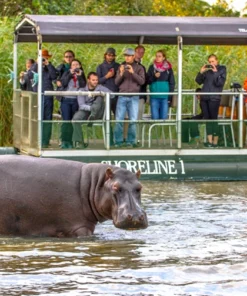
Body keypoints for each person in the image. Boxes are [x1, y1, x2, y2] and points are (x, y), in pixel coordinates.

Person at [114, 48, 145, 148]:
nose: (126, 57)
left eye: (128, 55)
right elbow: (116, 82)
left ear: (133, 56)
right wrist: (122, 73)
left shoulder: (139, 68)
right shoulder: (121, 67)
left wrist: (132, 73)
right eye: (125, 55)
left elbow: (142, 81)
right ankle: (118, 141)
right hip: (122, 96)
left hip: (134, 97)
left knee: (133, 120)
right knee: (119, 120)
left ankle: (130, 141)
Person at [72, 72, 111, 149]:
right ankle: (80, 142)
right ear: (88, 80)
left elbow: (112, 94)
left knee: (100, 97)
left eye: (96, 80)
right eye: (93, 80)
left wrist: (101, 94)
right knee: (75, 119)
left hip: (98, 112)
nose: (95, 82)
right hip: (86, 110)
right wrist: (91, 108)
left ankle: (92, 116)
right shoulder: (82, 89)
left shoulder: (100, 87)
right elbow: (81, 105)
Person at [195, 54, 227, 148]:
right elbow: (198, 81)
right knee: (208, 119)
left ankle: (215, 142)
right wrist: (201, 71)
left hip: (214, 98)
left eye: (213, 61)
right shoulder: (207, 72)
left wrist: (215, 72)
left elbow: (220, 83)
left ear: (217, 61)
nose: (211, 63)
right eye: (209, 62)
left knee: (213, 119)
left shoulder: (222, 69)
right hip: (204, 98)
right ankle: (209, 142)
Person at [29, 49, 57, 148]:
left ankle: (45, 141)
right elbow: (29, 75)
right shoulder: (35, 67)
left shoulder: (50, 67)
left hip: (48, 96)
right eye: (42, 57)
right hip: (37, 95)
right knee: (37, 117)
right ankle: (36, 140)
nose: (44, 59)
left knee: (47, 118)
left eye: (46, 57)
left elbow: (54, 76)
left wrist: (48, 64)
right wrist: (37, 63)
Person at [59, 59, 86, 149]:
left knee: (73, 121)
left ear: (80, 65)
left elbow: (83, 85)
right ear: (71, 66)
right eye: (73, 65)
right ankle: (65, 141)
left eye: (77, 64)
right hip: (66, 99)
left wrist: (79, 76)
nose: (75, 66)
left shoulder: (81, 74)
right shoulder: (67, 73)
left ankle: (73, 141)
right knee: (66, 120)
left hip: (76, 100)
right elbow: (63, 83)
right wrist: (70, 74)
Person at [96, 48, 120, 145]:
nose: (110, 57)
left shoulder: (118, 66)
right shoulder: (100, 67)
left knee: (119, 118)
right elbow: (97, 82)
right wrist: (107, 76)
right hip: (105, 96)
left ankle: (118, 140)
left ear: (114, 56)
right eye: (109, 55)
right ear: (105, 55)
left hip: (117, 95)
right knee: (107, 118)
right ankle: (109, 141)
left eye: (112, 55)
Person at [147, 49, 175, 120]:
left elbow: (172, 83)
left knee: (163, 118)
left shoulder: (168, 69)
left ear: (163, 57)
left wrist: (169, 97)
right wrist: (154, 77)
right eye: (156, 56)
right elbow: (147, 81)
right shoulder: (151, 67)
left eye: (159, 56)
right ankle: (155, 131)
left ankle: (162, 131)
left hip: (165, 97)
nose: (157, 58)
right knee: (155, 118)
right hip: (154, 97)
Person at [134, 45, 147, 143]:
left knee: (139, 118)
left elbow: (144, 82)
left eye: (142, 52)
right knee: (129, 118)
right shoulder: (126, 65)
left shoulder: (143, 67)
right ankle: (128, 138)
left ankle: (137, 139)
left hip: (140, 96)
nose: (140, 54)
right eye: (138, 52)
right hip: (129, 95)